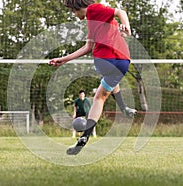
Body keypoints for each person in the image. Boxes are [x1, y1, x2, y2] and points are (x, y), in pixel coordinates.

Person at [49, 0, 136, 155]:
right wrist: (63, 59)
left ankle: (86, 136)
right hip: (123, 62)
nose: (75, 15)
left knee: (99, 97)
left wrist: (127, 27)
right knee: (102, 93)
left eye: (73, 11)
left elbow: (120, 12)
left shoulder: (94, 9)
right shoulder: (94, 23)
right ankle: (122, 109)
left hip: (104, 59)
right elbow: (87, 47)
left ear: (77, 6)